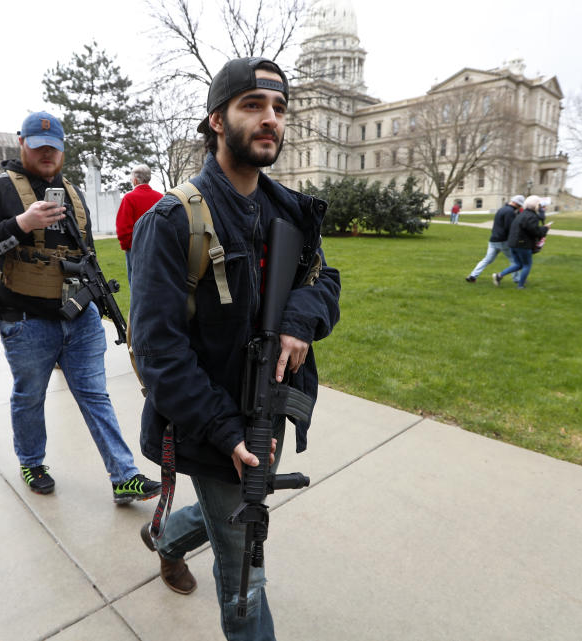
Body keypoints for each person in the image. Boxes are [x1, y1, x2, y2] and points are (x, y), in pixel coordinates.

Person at [130, 57, 341, 640]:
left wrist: (300, 319)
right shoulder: (171, 222)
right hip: (211, 425)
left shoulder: (291, 211)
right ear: (217, 120)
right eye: (252, 105)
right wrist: (228, 434)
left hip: (269, 408)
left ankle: (165, 537)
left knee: (228, 514)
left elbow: (325, 282)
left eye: (278, 108)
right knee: (246, 568)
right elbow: (159, 354)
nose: (270, 119)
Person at [0, 111, 161, 502]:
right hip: (26, 321)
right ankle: (32, 461)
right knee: (30, 394)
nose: (48, 154)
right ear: (22, 143)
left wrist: (100, 298)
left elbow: (81, 252)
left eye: (55, 148)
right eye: (39, 147)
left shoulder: (72, 193)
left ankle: (124, 475)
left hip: (79, 316)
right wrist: (21, 223)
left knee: (94, 393)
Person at [115, 164, 163, 283]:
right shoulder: (161, 197)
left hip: (135, 248)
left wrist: (126, 246)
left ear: (135, 180)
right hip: (158, 247)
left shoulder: (129, 198)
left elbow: (123, 227)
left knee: (136, 283)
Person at [493, 195, 550, 290]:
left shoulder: (521, 214)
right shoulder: (532, 217)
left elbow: (527, 229)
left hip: (513, 243)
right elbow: (535, 232)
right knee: (527, 265)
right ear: (536, 205)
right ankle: (520, 286)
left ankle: (499, 276)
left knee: (518, 264)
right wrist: (545, 228)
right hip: (523, 244)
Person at [465, 195, 524, 283]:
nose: (520, 207)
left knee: (487, 259)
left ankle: (473, 275)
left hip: (493, 239)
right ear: (516, 203)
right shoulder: (510, 212)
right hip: (503, 240)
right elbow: (510, 227)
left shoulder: (502, 209)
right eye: (520, 205)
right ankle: (517, 279)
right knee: (514, 260)